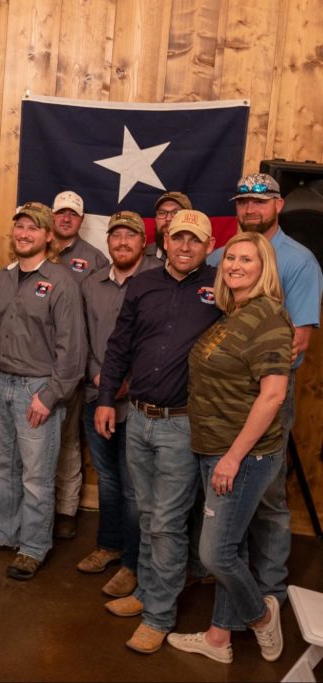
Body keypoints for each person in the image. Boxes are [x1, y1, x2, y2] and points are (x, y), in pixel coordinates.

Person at [95, 209, 221, 654]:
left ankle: (159, 616)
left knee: (167, 522)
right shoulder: (142, 284)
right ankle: (147, 592)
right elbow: (119, 345)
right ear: (164, 241)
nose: (185, 247)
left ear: (208, 247)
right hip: (139, 418)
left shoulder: (221, 288)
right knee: (147, 516)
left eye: (195, 240)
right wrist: (107, 397)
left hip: (184, 424)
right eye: (178, 238)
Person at [167, 231, 292, 664]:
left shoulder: (269, 318)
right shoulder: (234, 313)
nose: (235, 265)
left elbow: (273, 395)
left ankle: (260, 616)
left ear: (265, 269)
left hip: (242, 455)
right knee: (232, 546)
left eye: (247, 260)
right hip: (212, 447)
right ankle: (220, 639)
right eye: (231, 258)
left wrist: (234, 457)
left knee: (214, 552)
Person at [209, 172, 323, 609]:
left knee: (269, 493)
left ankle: (270, 588)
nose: (249, 210)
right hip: (220, 392)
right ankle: (224, 573)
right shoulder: (225, 255)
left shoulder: (298, 260)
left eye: (259, 202)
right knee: (220, 482)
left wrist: (251, 374)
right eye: (242, 203)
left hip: (266, 390)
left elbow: (299, 341)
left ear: (278, 206)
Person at [0, 202, 84, 581]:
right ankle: (4, 531)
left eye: (33, 229)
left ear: (48, 235)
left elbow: (73, 350)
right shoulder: (3, 277)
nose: (24, 234)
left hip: (37, 389)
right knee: (3, 468)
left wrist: (50, 396)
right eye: (19, 227)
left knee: (36, 476)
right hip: (0, 383)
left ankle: (33, 546)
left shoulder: (61, 282)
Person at [77, 211, 157, 597]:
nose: (123, 242)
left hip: (138, 402)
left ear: (144, 241)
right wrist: (99, 377)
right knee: (107, 478)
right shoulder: (92, 283)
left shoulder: (156, 282)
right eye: (116, 236)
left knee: (133, 485)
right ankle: (108, 545)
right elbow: (82, 338)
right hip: (97, 395)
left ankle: (133, 562)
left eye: (131, 236)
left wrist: (127, 382)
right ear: (108, 242)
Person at [49, 190, 109, 540]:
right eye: (61, 213)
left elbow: (97, 316)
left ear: (81, 220)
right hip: (39, 361)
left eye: (73, 214)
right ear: (52, 216)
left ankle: (66, 508)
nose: (66, 219)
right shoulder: (39, 250)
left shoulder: (95, 259)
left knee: (68, 439)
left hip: (73, 364)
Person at [145, 191, 192, 262]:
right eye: (162, 213)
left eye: (176, 212)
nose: (168, 218)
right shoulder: (140, 257)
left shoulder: (205, 257)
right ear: (155, 219)